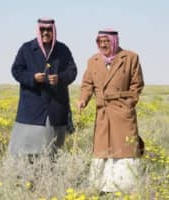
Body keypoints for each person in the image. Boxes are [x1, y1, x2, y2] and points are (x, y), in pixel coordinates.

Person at [77, 29, 144, 193]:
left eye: (106, 41)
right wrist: (83, 100)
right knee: (102, 149)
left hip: (122, 112)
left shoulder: (130, 57)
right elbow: (87, 85)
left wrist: (128, 104)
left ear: (114, 41)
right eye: (100, 41)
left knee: (125, 147)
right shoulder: (93, 61)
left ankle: (126, 188)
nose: (103, 45)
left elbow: (137, 84)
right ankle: (103, 188)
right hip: (103, 113)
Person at [8, 18, 77, 160]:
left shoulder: (63, 50)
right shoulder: (27, 48)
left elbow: (72, 72)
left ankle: (50, 180)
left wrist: (60, 78)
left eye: (49, 30)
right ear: (38, 31)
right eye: (42, 30)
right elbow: (16, 71)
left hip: (56, 107)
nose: (46, 33)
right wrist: (32, 78)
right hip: (32, 109)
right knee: (26, 152)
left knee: (53, 152)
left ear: (54, 31)